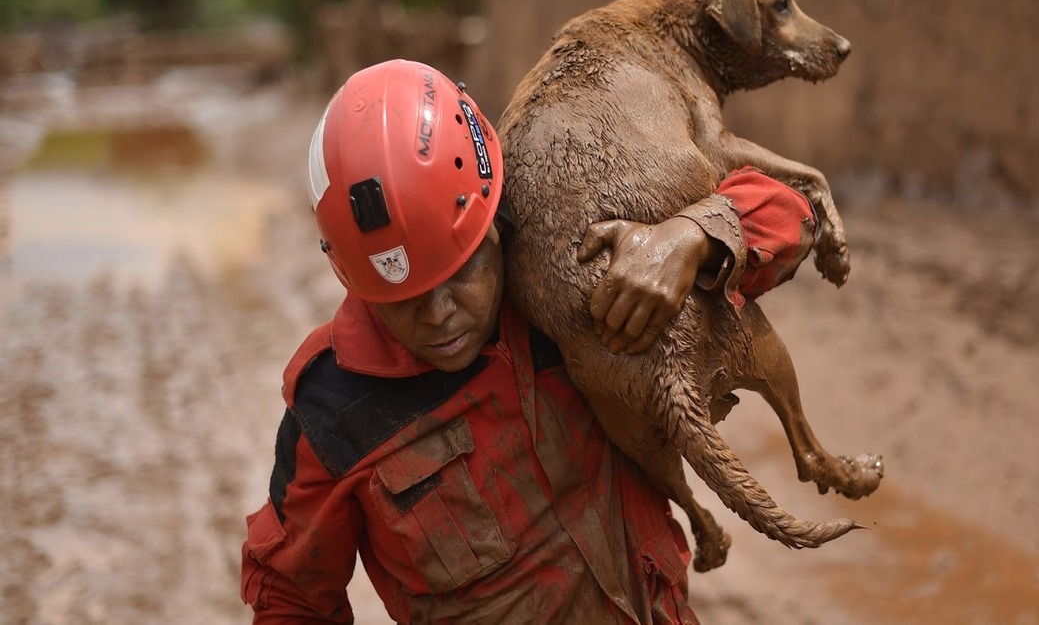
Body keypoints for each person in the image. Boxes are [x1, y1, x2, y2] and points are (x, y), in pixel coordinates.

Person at [240, 59, 820, 624]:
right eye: (403, 299)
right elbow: (291, 600)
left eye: (461, 272)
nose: (441, 315)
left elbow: (794, 213)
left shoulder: (571, 274)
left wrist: (693, 235)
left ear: (496, 218)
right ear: (357, 281)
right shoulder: (334, 414)